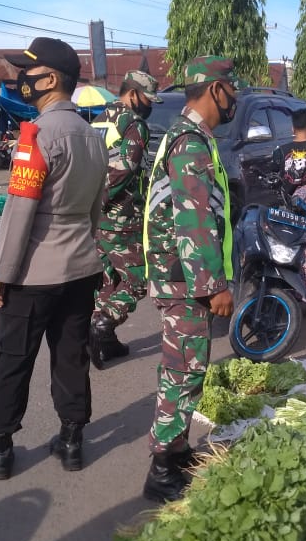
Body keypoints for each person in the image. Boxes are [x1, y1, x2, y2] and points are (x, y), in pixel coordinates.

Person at [0, 37, 107, 480]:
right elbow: (97, 209)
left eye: (28, 73)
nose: (22, 81)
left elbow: (19, 211)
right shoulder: (94, 139)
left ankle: (1, 448)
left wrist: (2, 273)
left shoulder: (35, 136)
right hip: (80, 269)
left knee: (13, 357)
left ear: (51, 79)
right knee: (70, 356)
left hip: (33, 273)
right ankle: (72, 441)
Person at [142, 56, 241, 503]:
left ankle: (176, 449)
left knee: (185, 366)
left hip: (179, 275)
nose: (235, 98)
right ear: (215, 90)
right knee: (184, 371)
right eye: (231, 89)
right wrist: (215, 285)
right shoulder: (191, 144)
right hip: (186, 279)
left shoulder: (185, 137)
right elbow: (194, 221)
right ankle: (162, 468)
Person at [88, 69, 163, 369]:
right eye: (147, 98)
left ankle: (104, 342)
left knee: (108, 280)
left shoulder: (99, 120)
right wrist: (102, 198)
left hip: (97, 219)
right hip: (123, 217)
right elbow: (124, 169)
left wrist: (90, 204)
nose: (150, 105)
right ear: (133, 94)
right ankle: (102, 324)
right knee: (138, 280)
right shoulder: (133, 124)